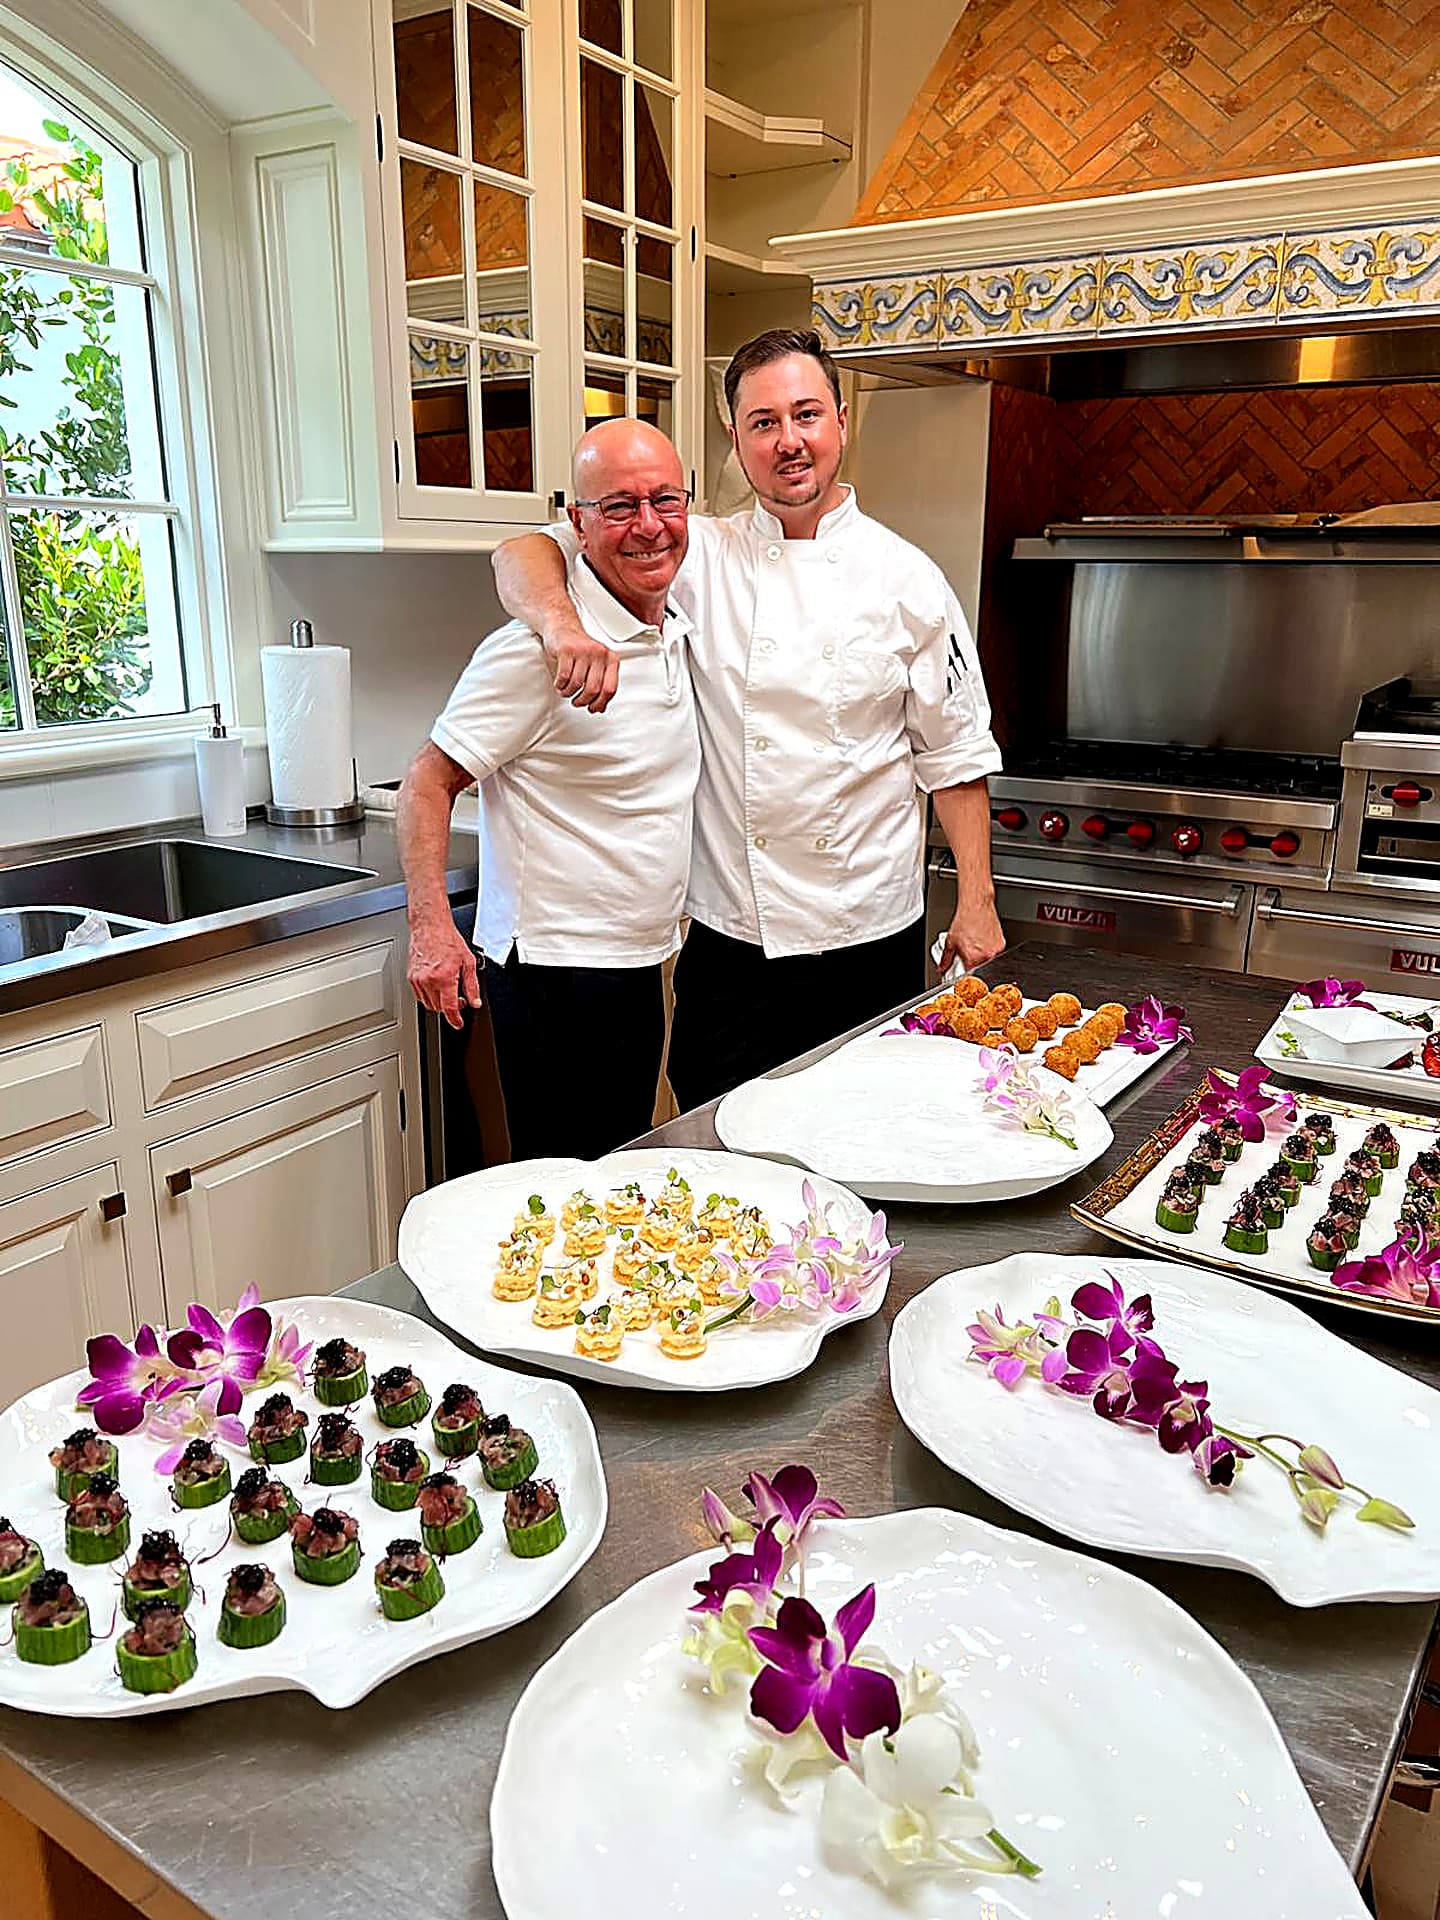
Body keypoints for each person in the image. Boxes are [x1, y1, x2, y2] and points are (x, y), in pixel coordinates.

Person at [491, 328, 1005, 1111]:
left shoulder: (909, 579)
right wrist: (562, 627)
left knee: (862, 1140)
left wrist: (977, 902)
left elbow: (955, 756)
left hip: (869, 939)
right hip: (731, 947)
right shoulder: (691, 552)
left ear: (841, 422)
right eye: (764, 422)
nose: (788, 440)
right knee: (719, 1143)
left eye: (806, 414)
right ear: (736, 441)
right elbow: (523, 552)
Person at [399, 417, 699, 1161]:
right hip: (556, 971)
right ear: (577, 524)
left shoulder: (672, 623)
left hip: (635, 961)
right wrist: (432, 930)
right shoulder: (535, 652)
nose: (649, 525)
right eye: (619, 506)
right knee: (569, 1190)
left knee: (612, 1176)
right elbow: (426, 781)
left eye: (665, 499)